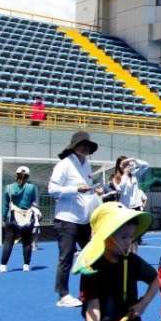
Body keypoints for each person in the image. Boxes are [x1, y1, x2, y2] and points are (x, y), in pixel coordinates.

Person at [48, 131, 101, 308]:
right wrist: (75, 189)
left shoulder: (87, 164)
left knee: (91, 256)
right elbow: (51, 189)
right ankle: (62, 295)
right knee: (66, 258)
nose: (85, 148)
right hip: (66, 219)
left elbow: (86, 189)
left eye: (88, 145)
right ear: (74, 146)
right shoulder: (64, 164)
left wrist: (95, 192)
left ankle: (88, 291)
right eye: (82, 144)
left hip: (84, 219)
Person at [0, 166, 38, 272]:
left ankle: (3, 266)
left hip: (13, 219)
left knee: (9, 242)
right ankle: (26, 265)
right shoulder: (32, 187)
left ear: (16, 175)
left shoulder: (8, 188)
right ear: (28, 176)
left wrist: (3, 219)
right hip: (27, 218)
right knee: (27, 242)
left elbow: (5, 205)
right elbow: (34, 203)